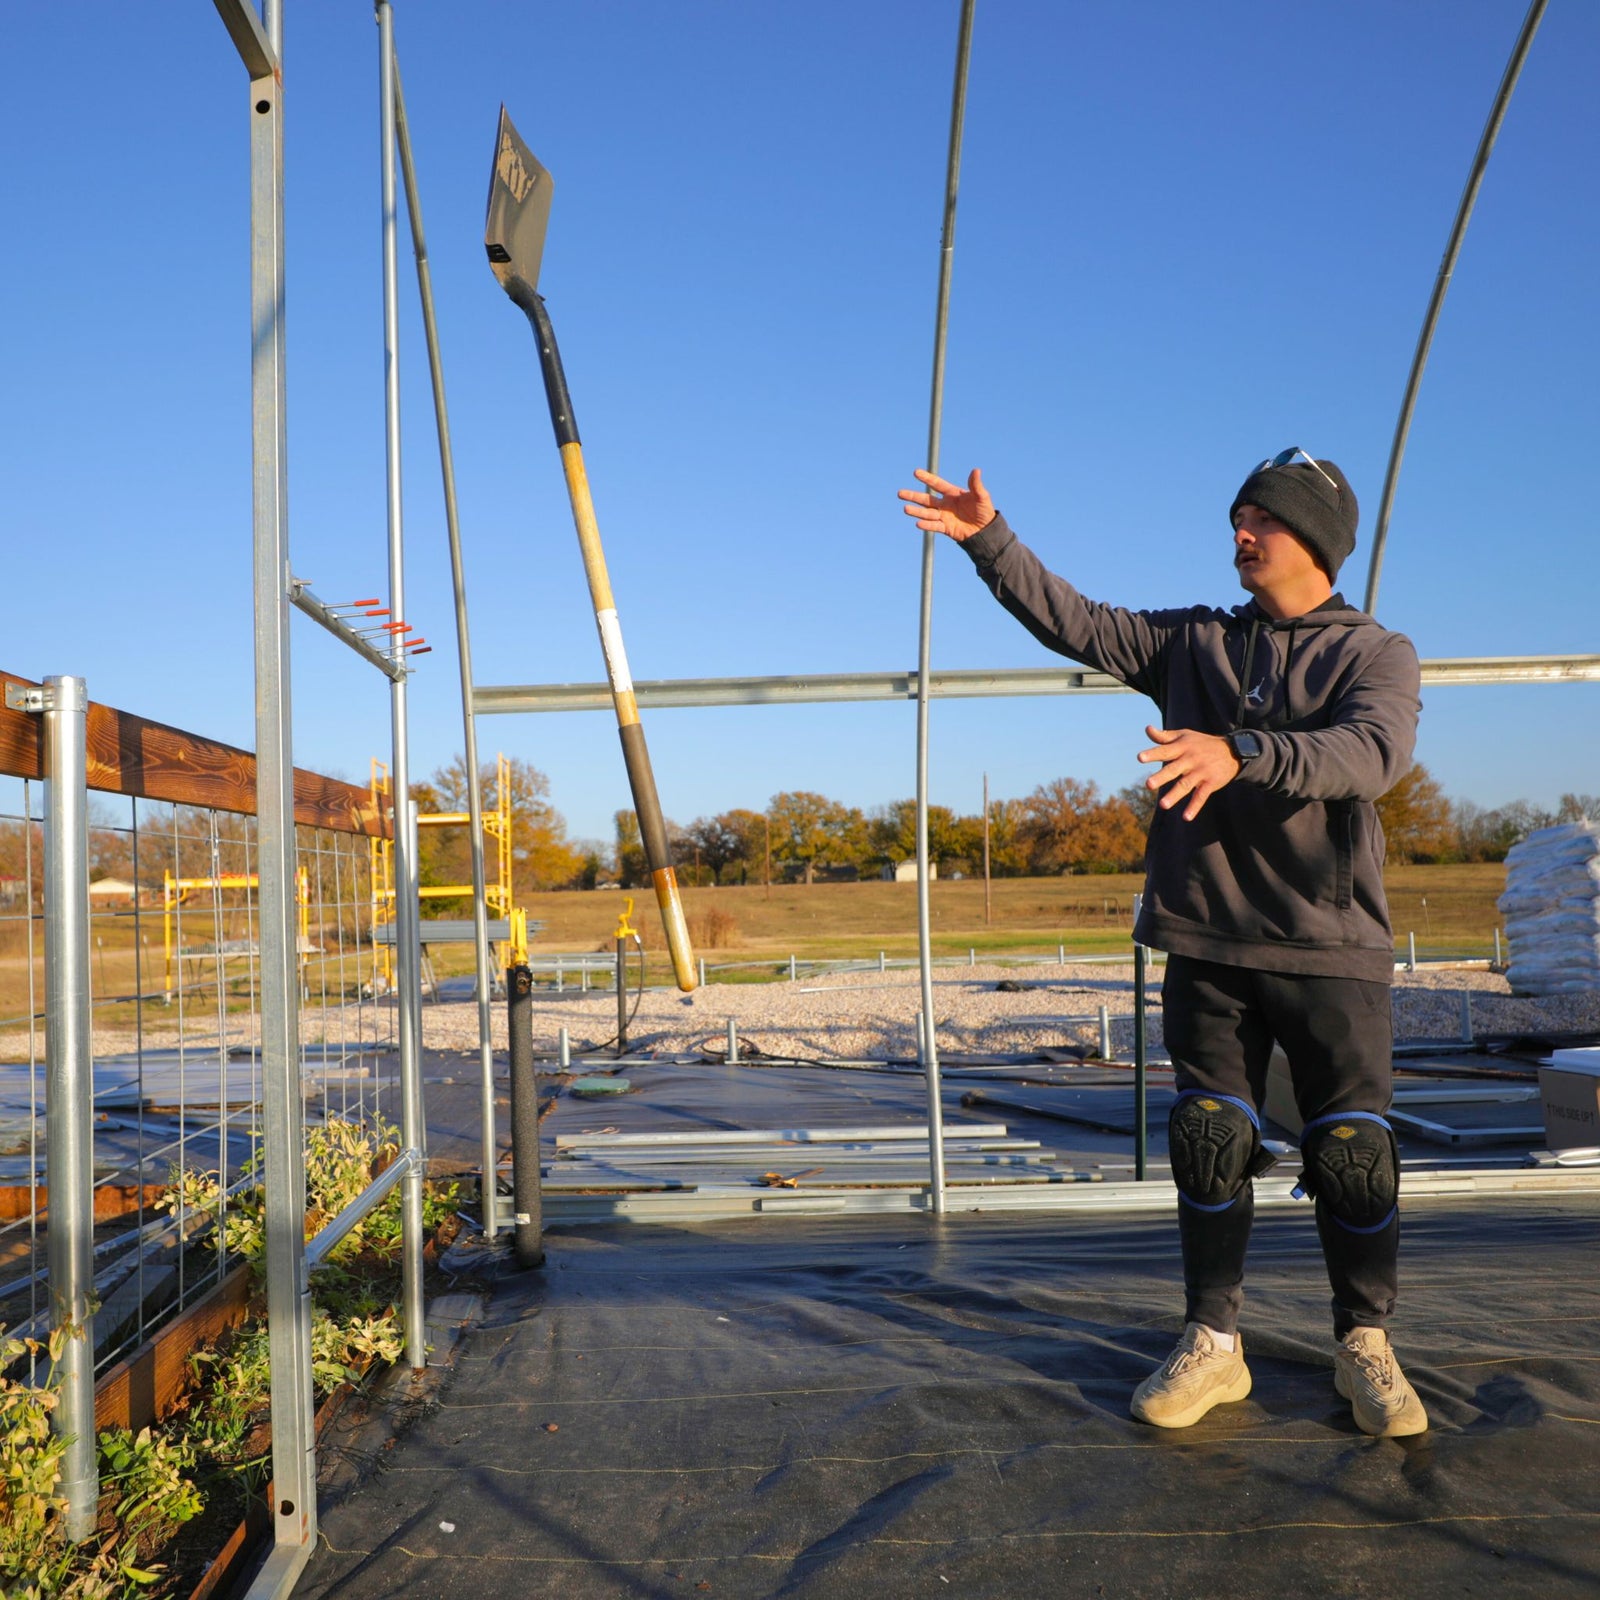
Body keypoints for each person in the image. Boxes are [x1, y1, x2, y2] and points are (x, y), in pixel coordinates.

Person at [898, 451, 1427, 1437]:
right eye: (1235, 515)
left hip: (1330, 945)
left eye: (1257, 517)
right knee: (1209, 1137)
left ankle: (1364, 1340)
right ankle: (1212, 1343)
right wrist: (988, 540)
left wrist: (1242, 753)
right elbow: (1077, 621)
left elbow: (1373, 753)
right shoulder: (1191, 643)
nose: (1239, 532)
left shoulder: (1375, 653)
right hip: (1206, 937)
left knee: (1354, 1153)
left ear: (1312, 536)